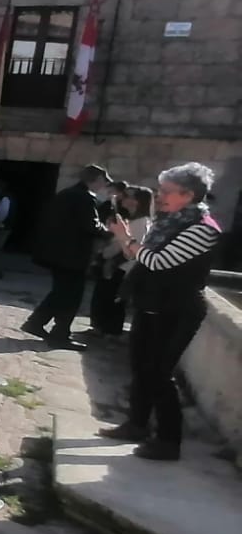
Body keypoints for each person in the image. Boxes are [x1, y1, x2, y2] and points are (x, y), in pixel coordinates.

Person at [99, 164, 224, 460]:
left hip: (178, 309)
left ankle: (169, 441)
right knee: (141, 367)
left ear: (188, 195)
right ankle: (137, 425)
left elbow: (156, 261)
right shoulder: (168, 221)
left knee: (159, 373)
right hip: (152, 303)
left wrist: (125, 238)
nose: (160, 195)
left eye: (167, 191)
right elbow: (140, 256)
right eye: (160, 189)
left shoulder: (203, 228)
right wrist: (125, 237)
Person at [21, 164, 111, 349]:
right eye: (103, 181)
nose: (104, 185)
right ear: (95, 180)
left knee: (61, 292)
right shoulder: (84, 197)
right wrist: (110, 232)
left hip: (59, 253)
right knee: (71, 295)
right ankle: (60, 334)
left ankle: (36, 322)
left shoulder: (67, 193)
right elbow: (91, 226)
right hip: (72, 256)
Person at [88, 185, 148, 336]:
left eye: (128, 196)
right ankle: (100, 328)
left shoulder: (141, 222)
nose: (123, 198)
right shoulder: (129, 218)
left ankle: (111, 332)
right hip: (111, 260)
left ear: (137, 201)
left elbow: (134, 247)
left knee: (114, 299)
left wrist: (113, 263)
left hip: (122, 266)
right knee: (102, 296)